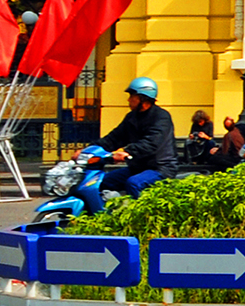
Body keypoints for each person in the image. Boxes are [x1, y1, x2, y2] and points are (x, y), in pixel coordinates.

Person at [74, 76, 175, 211]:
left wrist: (128, 152)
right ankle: (106, 216)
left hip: (160, 168)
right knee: (101, 182)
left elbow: (152, 142)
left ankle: (138, 221)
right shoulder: (131, 117)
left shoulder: (161, 117)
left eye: (132, 96)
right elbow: (114, 138)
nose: (129, 100)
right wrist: (87, 150)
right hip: (137, 167)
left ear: (143, 98)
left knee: (133, 184)